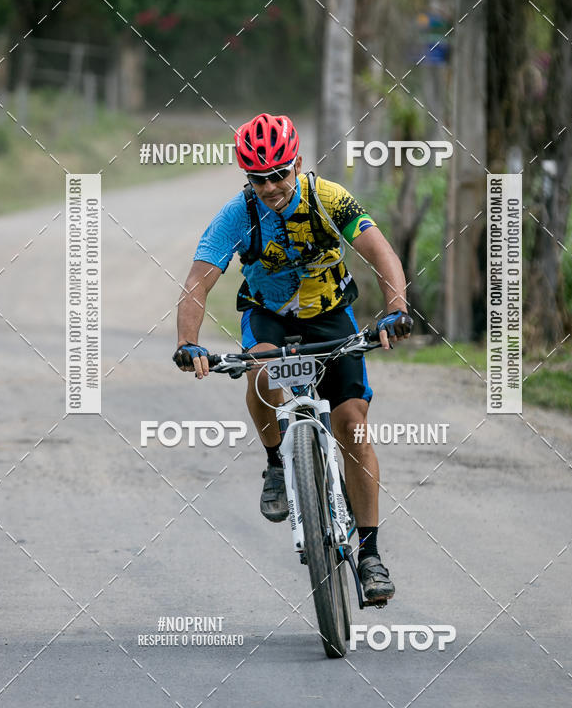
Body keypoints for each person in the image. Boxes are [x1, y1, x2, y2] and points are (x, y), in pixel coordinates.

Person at [173, 112, 413, 603]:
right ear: (247, 177)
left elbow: (381, 252)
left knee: (352, 423)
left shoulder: (329, 198)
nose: (271, 186)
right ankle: (276, 464)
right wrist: (188, 342)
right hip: (270, 317)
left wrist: (396, 311)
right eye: (258, 178)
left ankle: (369, 554)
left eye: (280, 174)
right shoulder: (236, 215)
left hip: (330, 316)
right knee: (259, 370)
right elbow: (198, 282)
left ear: (297, 164)